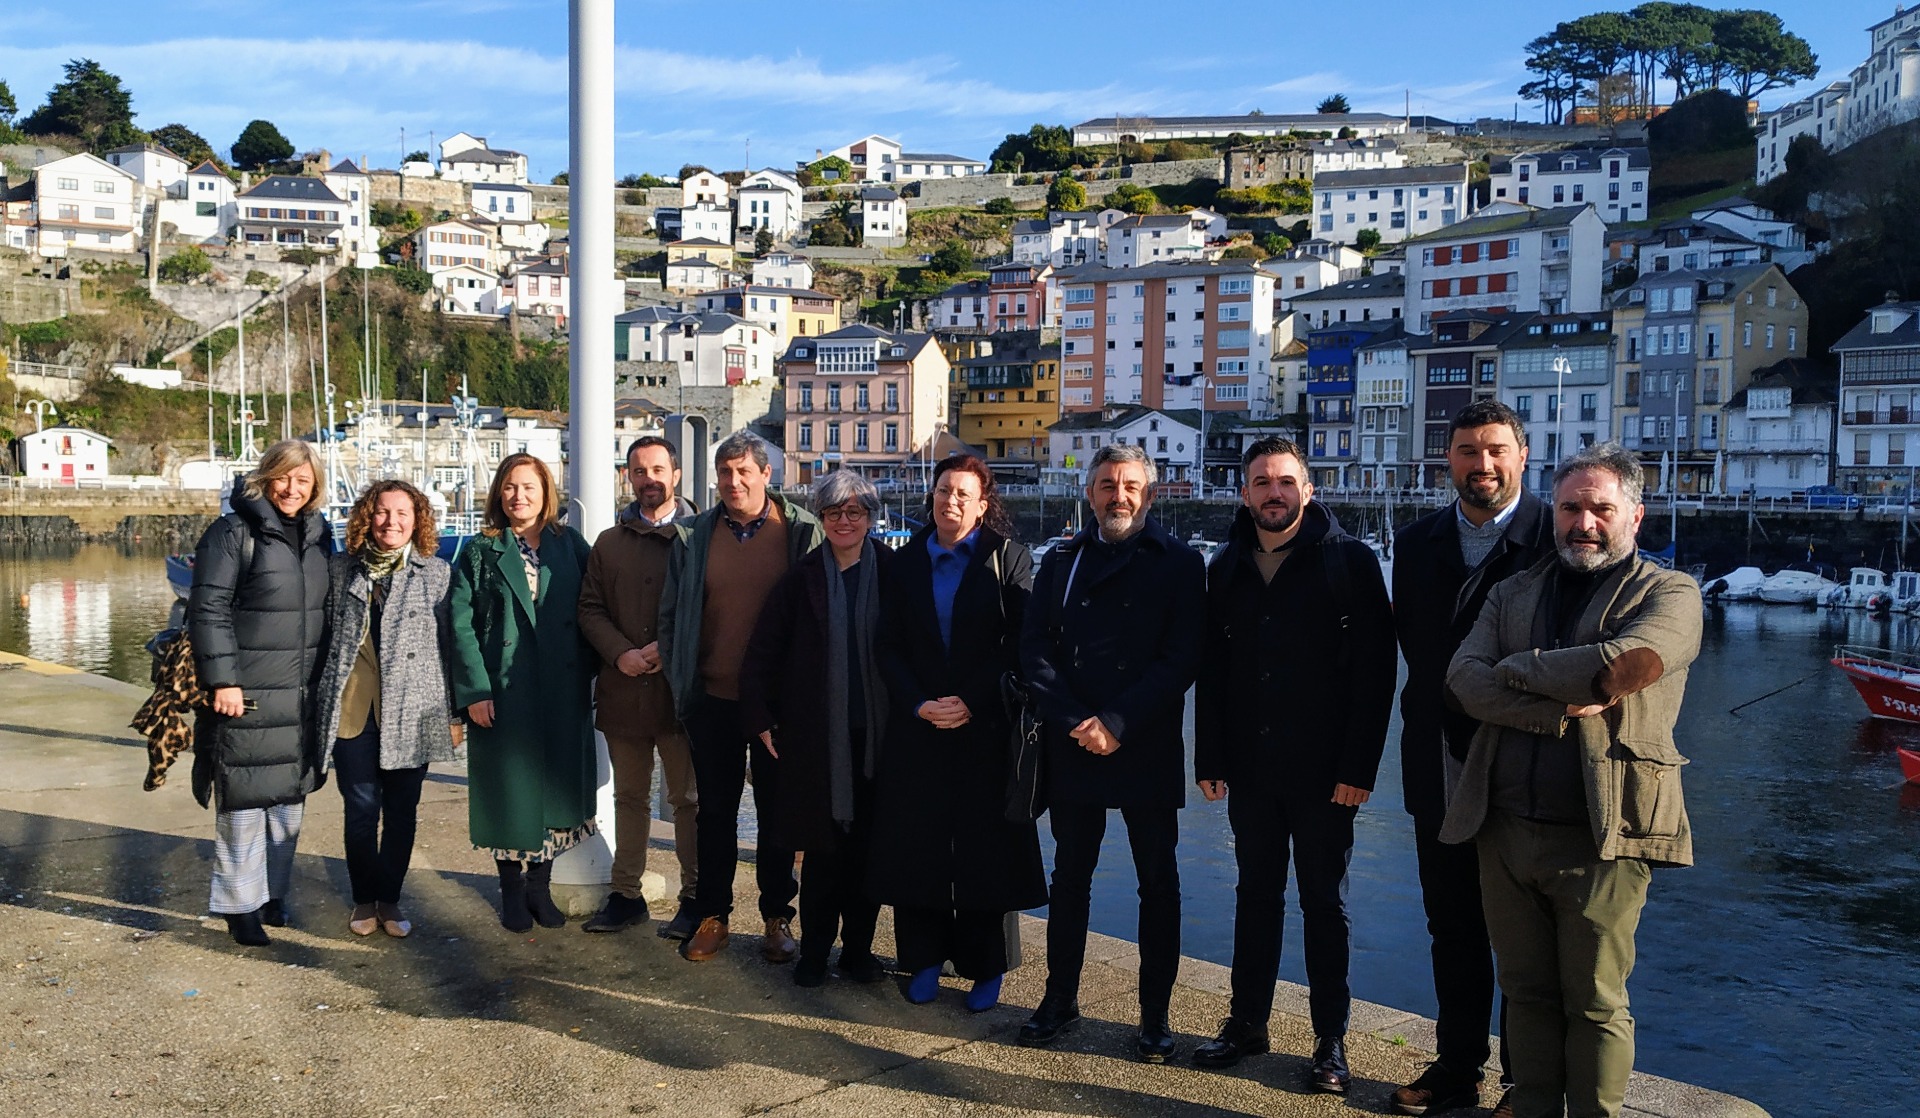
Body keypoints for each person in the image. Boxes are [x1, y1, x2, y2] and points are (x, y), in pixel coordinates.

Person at [1443, 442, 1701, 1118]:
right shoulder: (1514, 590)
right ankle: (1531, 1106)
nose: (1583, 522)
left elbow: (1619, 669)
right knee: (1526, 991)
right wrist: (1554, 705)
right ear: (1552, 512)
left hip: (1603, 832)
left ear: (1634, 516)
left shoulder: (1669, 594)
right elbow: (1463, 679)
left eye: (1600, 509)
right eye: (1569, 508)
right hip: (1504, 827)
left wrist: (1515, 669)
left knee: (1595, 1001)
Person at [1190, 437, 1397, 1093]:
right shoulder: (1226, 564)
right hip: (1250, 767)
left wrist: (1358, 768)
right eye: (1262, 482)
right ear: (1244, 493)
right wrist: (1209, 755)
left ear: (1307, 490)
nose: (1273, 493)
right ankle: (1247, 1022)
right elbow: (1213, 670)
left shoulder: (1348, 561)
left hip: (1326, 774)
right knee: (1254, 895)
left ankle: (1330, 1040)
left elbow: (1376, 674)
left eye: (1285, 482)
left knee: (1324, 904)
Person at [1389, 401, 1553, 1116]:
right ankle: (1458, 1066)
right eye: (1466, 451)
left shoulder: (1554, 536)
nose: (1481, 464)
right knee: (1451, 925)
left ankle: (1527, 1081)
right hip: (1436, 758)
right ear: (1447, 459)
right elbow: (1413, 650)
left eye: (1495, 450)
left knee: (1525, 935)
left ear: (1522, 455)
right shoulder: (1415, 542)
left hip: (1524, 758)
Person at [1018, 444, 1205, 1060]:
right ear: (1090, 493)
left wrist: (1118, 722)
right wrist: (1077, 720)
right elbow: (1035, 650)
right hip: (1076, 739)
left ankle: (1155, 1016)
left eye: (1129, 486)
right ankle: (1059, 999)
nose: (1117, 496)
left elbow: (1182, 657)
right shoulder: (1062, 559)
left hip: (1144, 739)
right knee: (1071, 877)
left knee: (1159, 883)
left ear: (1148, 494)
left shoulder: (1181, 563)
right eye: (1106, 485)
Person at [866, 456, 1046, 1010]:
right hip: (918, 725)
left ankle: (986, 965)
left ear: (983, 503)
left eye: (965, 494)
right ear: (933, 495)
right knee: (917, 841)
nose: (952, 501)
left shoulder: (1008, 558)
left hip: (984, 725)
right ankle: (922, 959)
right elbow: (887, 645)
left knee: (984, 846)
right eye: (945, 490)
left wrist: (969, 699)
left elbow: (1017, 643)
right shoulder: (905, 561)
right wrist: (919, 703)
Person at [659, 432, 823, 963]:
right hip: (712, 696)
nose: (733, 483)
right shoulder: (694, 536)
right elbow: (671, 616)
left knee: (778, 815)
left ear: (766, 474)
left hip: (779, 705)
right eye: (724, 473)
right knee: (715, 813)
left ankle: (777, 917)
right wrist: (681, 681)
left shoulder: (801, 532)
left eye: (743, 472)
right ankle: (714, 916)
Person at [739, 471, 895, 987]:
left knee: (868, 853)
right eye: (833, 512)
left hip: (879, 740)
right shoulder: (800, 579)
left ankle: (859, 952)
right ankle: (815, 951)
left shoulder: (894, 573)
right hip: (816, 740)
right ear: (821, 518)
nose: (844, 521)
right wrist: (761, 719)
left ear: (870, 517)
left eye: (854, 512)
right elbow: (763, 652)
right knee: (823, 855)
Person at [187, 439, 332, 947]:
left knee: (288, 803)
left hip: (300, 695)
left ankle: (272, 895)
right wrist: (223, 680)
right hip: (247, 692)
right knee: (244, 800)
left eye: (303, 480)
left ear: (315, 486)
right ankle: (239, 906)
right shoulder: (232, 533)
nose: (292, 489)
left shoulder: (320, 536)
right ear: (265, 477)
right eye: (283, 477)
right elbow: (207, 609)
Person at [449, 453, 597, 932]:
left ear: (545, 492)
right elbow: (460, 624)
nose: (519, 496)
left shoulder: (569, 544)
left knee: (553, 790)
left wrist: (595, 672)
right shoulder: (480, 550)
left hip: (561, 686)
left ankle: (540, 887)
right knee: (508, 792)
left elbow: (595, 607)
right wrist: (474, 690)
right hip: (503, 691)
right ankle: (511, 890)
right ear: (499, 492)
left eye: (529, 487)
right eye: (511, 487)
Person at [314, 480, 459, 939]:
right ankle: (364, 898)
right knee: (360, 808)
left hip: (414, 708)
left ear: (417, 521)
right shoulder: (341, 569)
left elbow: (451, 647)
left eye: (402, 513)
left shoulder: (436, 574)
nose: (391, 522)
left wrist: (454, 715)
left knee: (401, 811)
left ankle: (390, 899)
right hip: (353, 707)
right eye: (382, 512)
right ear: (366, 517)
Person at [577, 436, 702, 939]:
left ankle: (695, 897)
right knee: (628, 797)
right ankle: (626, 894)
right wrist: (620, 653)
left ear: (675, 475)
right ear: (628, 477)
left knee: (688, 800)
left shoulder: (699, 537)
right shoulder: (609, 542)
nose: (648, 479)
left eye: (657, 469)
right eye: (638, 470)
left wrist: (666, 650)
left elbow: (711, 607)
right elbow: (590, 608)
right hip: (623, 688)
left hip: (680, 693)